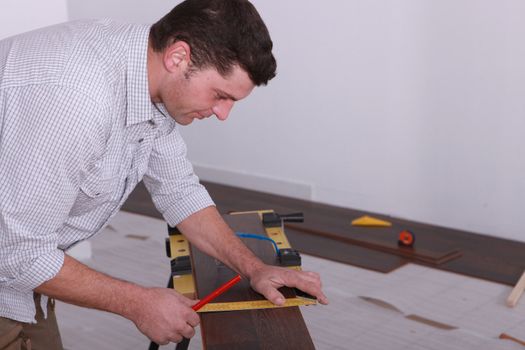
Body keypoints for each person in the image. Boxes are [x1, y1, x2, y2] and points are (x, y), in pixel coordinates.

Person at [0, 0, 328, 348]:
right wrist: (138, 302)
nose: (222, 114)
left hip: (17, 282)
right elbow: (18, 250)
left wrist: (253, 268)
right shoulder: (76, 100)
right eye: (220, 95)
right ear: (179, 58)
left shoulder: (146, 76)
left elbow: (179, 190)